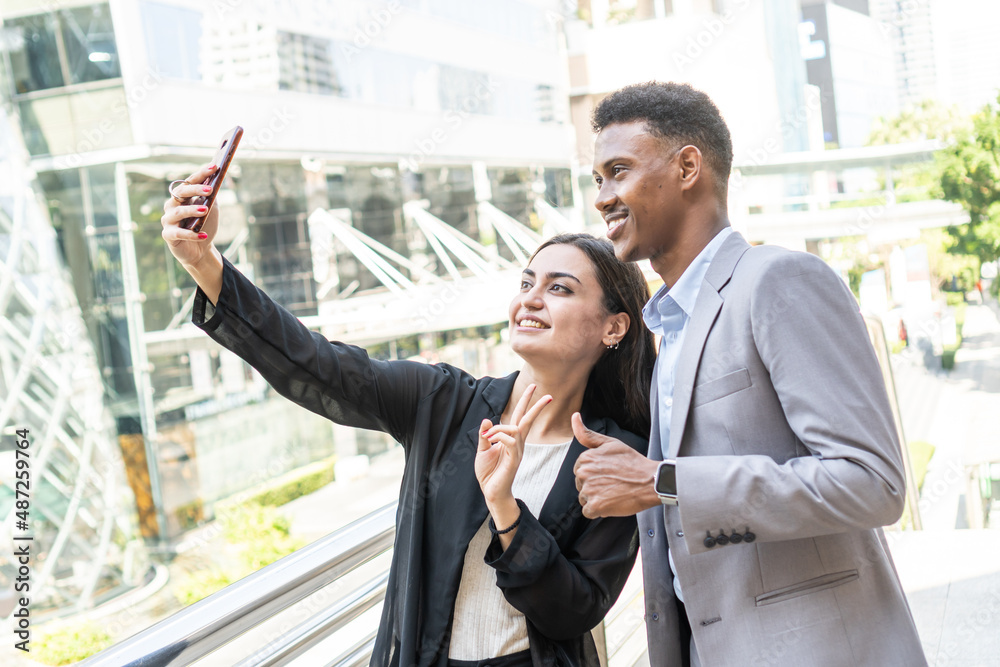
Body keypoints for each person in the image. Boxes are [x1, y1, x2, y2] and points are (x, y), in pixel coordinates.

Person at [160, 169, 655, 667]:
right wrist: (205, 262)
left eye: (560, 289)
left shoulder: (617, 458)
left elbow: (574, 612)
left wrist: (505, 509)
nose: (529, 298)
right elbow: (316, 364)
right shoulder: (442, 402)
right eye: (526, 282)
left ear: (613, 327)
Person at [571, 82, 927, 666]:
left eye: (618, 171)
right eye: (598, 180)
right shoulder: (669, 327)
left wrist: (664, 482)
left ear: (688, 167)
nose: (603, 198)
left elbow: (871, 482)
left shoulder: (777, 281)